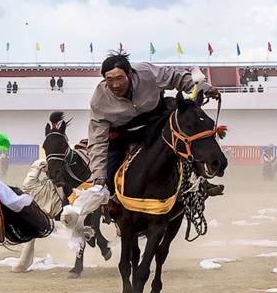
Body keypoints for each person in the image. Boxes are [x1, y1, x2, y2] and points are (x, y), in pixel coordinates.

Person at [88, 51, 221, 195]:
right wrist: (99, 177)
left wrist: (205, 89)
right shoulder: (99, 101)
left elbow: (174, 77)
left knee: (186, 129)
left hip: (159, 119)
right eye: (109, 79)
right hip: (124, 133)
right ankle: (111, 203)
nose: (115, 85)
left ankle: (201, 181)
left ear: (130, 74)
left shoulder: (146, 72)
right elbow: (97, 140)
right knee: (109, 175)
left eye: (120, 78)